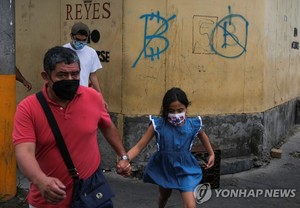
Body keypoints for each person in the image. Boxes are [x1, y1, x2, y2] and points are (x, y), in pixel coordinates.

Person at [12, 46, 130, 207]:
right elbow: (24, 152)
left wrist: (123, 156)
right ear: (46, 76)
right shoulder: (28, 108)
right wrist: (40, 180)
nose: (69, 79)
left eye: (74, 74)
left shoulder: (93, 97)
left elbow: (107, 126)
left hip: (91, 194)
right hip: (47, 201)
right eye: (62, 75)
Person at [127, 87, 215, 208]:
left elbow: (203, 135)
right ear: (165, 110)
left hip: (185, 168)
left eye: (180, 110)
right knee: (164, 196)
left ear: (186, 108)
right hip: (165, 167)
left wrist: (211, 154)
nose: (176, 114)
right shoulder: (158, 125)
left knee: (190, 205)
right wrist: (125, 159)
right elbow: (139, 146)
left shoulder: (192, 124)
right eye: (172, 111)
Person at [63, 22, 108, 109]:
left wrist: (101, 97)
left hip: (83, 96)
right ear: (71, 36)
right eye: (78, 39)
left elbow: (93, 76)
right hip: (66, 95)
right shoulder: (63, 51)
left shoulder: (91, 53)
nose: (81, 42)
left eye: (84, 40)